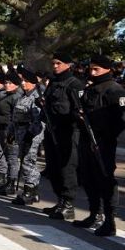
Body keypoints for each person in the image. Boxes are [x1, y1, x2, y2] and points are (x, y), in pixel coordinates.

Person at [73, 54, 125, 236]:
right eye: (91, 69)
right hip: (87, 139)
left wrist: (104, 137)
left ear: (107, 69)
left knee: (105, 180)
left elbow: (121, 120)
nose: (92, 72)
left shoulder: (115, 90)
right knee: (88, 179)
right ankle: (95, 214)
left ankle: (110, 221)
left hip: (103, 142)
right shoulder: (91, 88)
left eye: (97, 69)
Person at [41, 52, 86, 221]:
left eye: (58, 63)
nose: (55, 66)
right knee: (53, 168)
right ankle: (60, 200)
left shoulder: (75, 84)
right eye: (53, 63)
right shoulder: (53, 81)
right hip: (52, 129)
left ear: (68, 64)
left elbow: (80, 110)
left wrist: (70, 118)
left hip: (68, 131)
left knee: (67, 168)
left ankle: (68, 204)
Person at [9, 68, 45, 205]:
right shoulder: (23, 96)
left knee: (28, 162)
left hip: (32, 134)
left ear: (33, 82)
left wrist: (30, 135)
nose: (23, 83)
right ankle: (33, 192)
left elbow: (38, 120)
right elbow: (15, 117)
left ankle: (29, 191)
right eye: (22, 81)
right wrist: (11, 132)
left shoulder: (36, 97)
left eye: (26, 81)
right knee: (25, 161)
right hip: (20, 133)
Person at [0, 71, 22, 193]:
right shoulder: (7, 95)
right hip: (2, 129)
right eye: (6, 82)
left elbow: (16, 117)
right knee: (7, 157)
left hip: (10, 131)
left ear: (16, 84)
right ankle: (7, 180)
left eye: (10, 83)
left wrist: (12, 133)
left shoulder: (16, 97)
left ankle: (11, 184)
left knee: (12, 158)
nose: (7, 85)